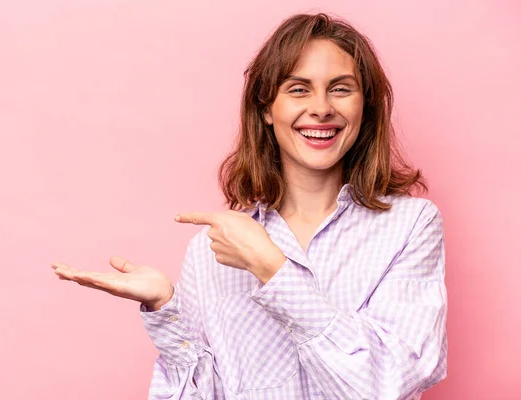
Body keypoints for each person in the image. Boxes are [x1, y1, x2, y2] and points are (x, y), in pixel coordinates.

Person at [52, 12, 447, 400]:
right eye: (298, 89)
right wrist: (163, 308)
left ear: (367, 108)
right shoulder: (212, 250)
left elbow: (386, 384)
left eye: (341, 88)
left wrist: (271, 269)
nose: (322, 107)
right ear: (266, 109)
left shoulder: (410, 226)